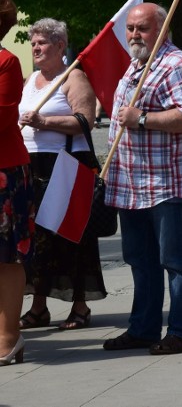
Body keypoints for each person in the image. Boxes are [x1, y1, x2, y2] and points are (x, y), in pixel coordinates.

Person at [102, 3, 182, 354]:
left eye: (142, 28)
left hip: (166, 183)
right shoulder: (134, 66)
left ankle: (181, 332)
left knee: (175, 262)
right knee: (140, 261)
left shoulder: (176, 64)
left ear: (162, 29)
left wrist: (143, 118)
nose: (134, 34)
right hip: (132, 185)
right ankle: (144, 328)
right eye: (131, 28)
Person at [17, 18, 107, 331]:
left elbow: (85, 122)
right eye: (33, 44)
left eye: (42, 43)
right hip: (32, 168)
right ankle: (38, 307)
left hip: (66, 166)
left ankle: (80, 306)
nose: (36, 49)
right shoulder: (31, 81)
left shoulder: (73, 77)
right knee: (38, 240)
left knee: (71, 236)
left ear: (60, 45)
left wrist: (45, 122)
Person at [1, 0, 34, 366]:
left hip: (4, 174)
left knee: (5, 257)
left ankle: (8, 336)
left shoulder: (6, 62)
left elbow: (3, 118)